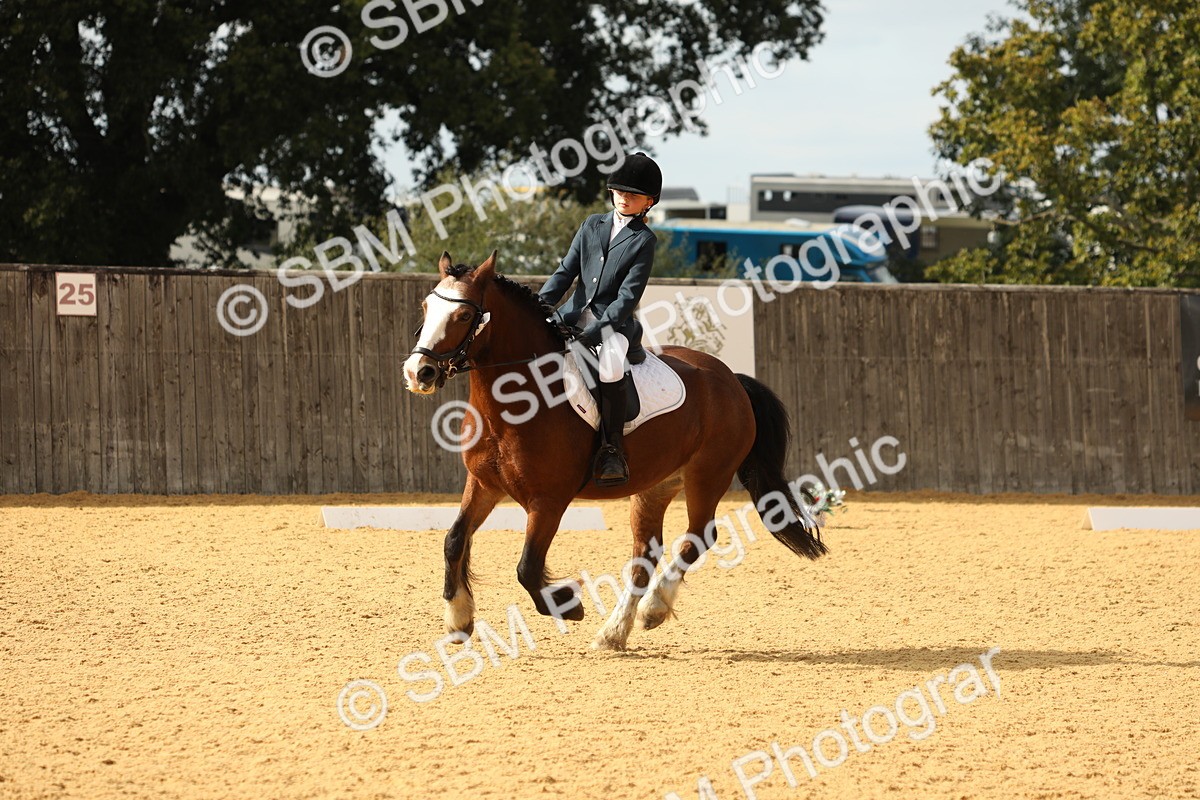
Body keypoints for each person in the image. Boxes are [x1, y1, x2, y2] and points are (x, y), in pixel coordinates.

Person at [538, 152, 662, 487]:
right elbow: (565, 273)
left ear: (648, 202)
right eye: (619, 191)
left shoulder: (644, 241)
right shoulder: (591, 225)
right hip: (572, 315)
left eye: (633, 195)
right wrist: (538, 306)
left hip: (614, 327)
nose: (624, 197)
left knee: (610, 365)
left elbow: (627, 298)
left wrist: (595, 333)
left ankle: (612, 449)